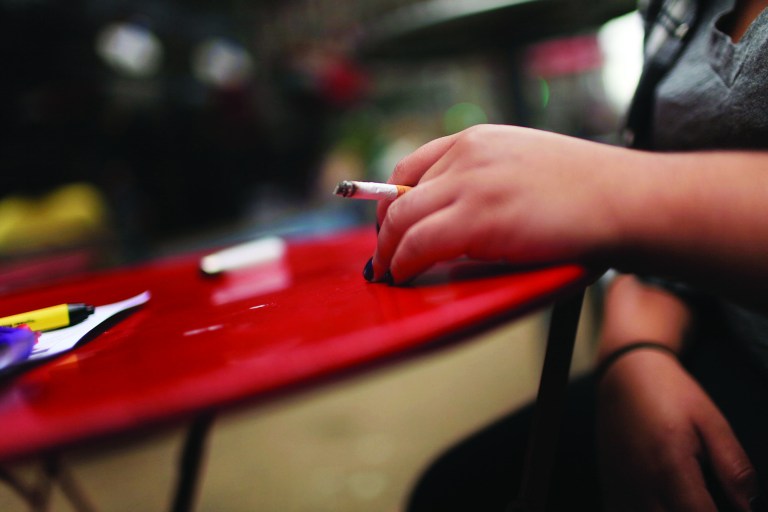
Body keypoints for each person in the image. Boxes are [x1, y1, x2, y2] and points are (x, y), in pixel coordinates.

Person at [364, 0, 768, 510]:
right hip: (704, 335)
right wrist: (633, 351)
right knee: (454, 490)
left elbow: (648, 201)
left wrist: (605, 188)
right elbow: (663, 235)